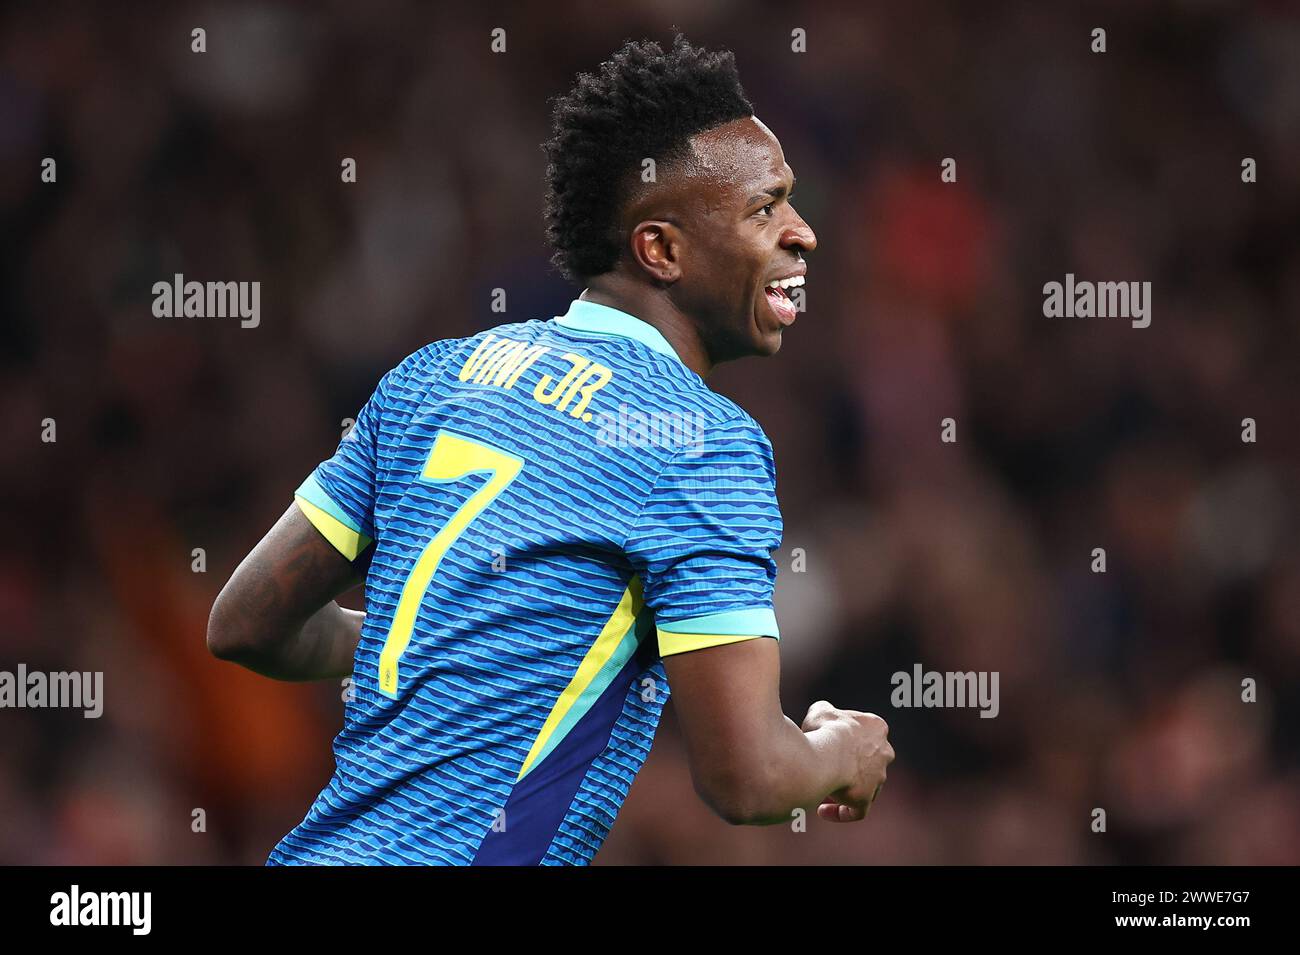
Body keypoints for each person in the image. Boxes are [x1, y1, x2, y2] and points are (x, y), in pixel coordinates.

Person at [208, 34, 893, 865]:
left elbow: (245, 620)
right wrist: (841, 755)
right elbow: (747, 776)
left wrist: (453, 645)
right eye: (765, 207)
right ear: (661, 249)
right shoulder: (701, 442)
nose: (803, 233)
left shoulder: (434, 376)